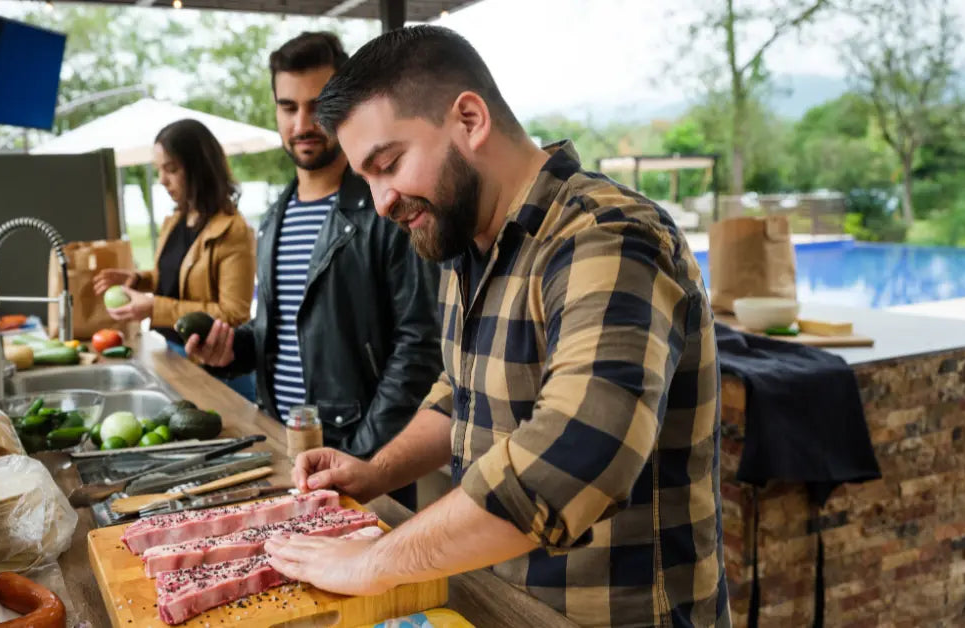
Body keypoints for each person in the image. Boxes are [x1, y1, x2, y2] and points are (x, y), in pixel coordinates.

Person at [261, 26, 728, 627]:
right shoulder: (466, 244)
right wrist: (375, 471)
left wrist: (370, 561)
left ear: (470, 119)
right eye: (367, 178)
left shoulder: (606, 236)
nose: (380, 202)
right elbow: (459, 395)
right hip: (503, 607)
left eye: (389, 164)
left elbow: (571, 460)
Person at [185, 32, 442, 509]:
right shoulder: (274, 215)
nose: (302, 123)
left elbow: (420, 347)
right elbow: (284, 331)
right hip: (285, 448)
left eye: (318, 104)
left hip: (364, 457)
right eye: (287, 107)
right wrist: (233, 351)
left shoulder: (386, 208)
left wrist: (361, 456)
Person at [95, 118, 257, 400]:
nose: (162, 180)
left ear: (200, 169)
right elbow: (174, 278)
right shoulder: (175, 221)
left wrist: (154, 307)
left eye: (171, 169)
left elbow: (234, 314)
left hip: (215, 369)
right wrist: (138, 280)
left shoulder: (234, 231)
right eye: (159, 169)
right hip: (172, 354)